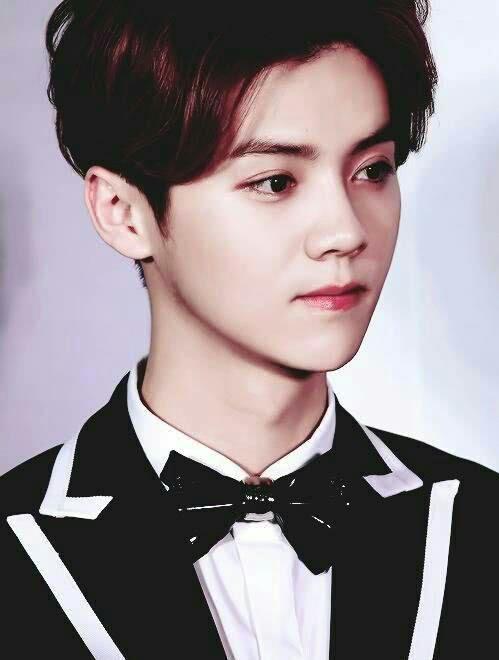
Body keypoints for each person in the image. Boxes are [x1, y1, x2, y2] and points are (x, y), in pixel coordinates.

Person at [1, 1, 498, 658]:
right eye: (275, 181)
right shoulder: (16, 549)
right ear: (123, 212)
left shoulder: (478, 524)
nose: (346, 231)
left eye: (372, 170)